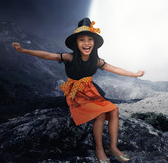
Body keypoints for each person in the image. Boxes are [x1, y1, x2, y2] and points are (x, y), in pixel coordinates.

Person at [12, 17, 144, 163]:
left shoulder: (96, 60)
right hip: (76, 92)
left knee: (114, 110)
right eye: (82, 39)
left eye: (90, 39)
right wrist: (23, 50)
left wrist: (134, 74)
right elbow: (48, 55)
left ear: (94, 43)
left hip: (91, 91)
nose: (86, 43)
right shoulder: (69, 57)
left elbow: (114, 69)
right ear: (76, 43)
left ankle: (113, 147)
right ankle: (99, 149)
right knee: (100, 114)